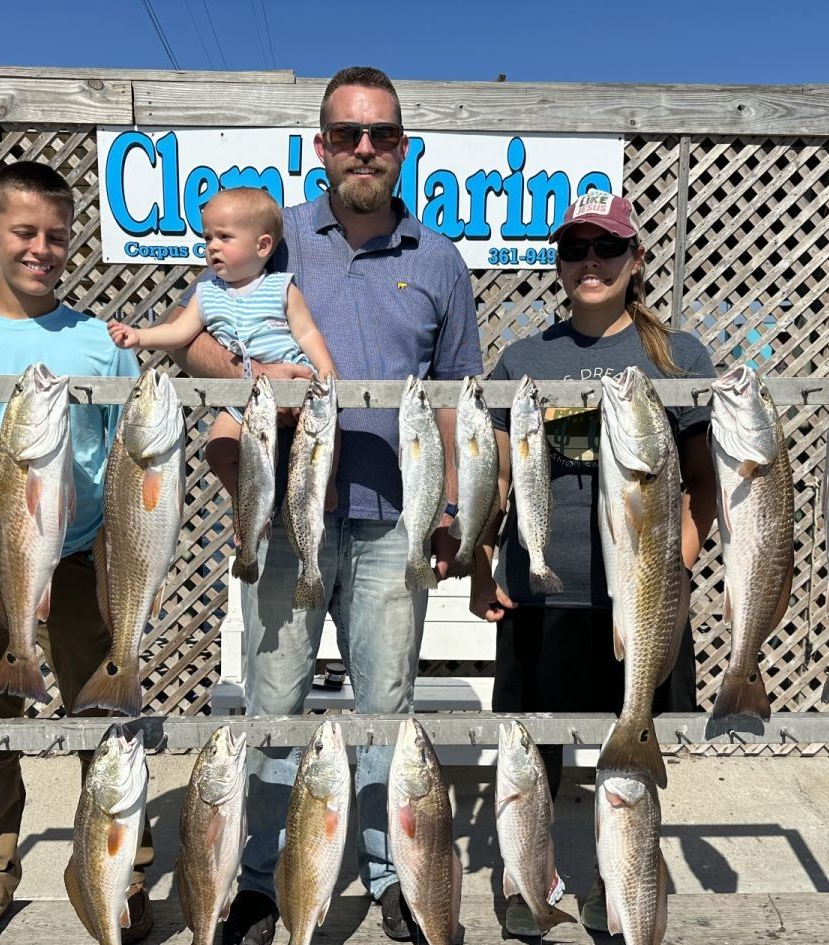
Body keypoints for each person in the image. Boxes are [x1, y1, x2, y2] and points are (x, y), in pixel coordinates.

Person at [167, 66, 483, 945]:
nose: (365, 150)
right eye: (348, 135)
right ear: (322, 148)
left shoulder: (438, 260)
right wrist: (256, 377)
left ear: (404, 147)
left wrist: (451, 502)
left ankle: (391, 875)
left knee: (387, 705)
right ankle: (265, 880)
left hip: (392, 520)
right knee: (274, 701)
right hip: (280, 515)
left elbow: (455, 394)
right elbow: (195, 342)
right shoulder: (273, 241)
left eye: (381, 134)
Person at [0, 161, 154, 945]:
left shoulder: (99, 341)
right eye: (24, 232)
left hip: (84, 560)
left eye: (55, 234)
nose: (41, 249)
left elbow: (126, 462)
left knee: (107, 719)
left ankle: (125, 870)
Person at [467, 191, 717, 935]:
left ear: (636, 259)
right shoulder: (524, 359)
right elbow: (502, 482)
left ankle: (622, 885)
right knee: (532, 760)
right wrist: (482, 560)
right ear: (558, 260)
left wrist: (677, 560)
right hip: (541, 598)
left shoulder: (678, 356)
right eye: (575, 248)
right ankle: (528, 881)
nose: (590, 263)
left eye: (607, 248)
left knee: (629, 761)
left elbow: (704, 480)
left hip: (639, 601)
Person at [106, 187, 337, 504]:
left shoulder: (281, 287)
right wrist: (139, 336)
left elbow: (307, 333)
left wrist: (325, 369)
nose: (212, 247)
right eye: (207, 239)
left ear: (262, 245)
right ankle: (250, 504)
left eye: (224, 238)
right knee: (218, 450)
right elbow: (178, 333)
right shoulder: (207, 293)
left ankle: (328, 486)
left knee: (324, 435)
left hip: (294, 383)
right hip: (242, 394)